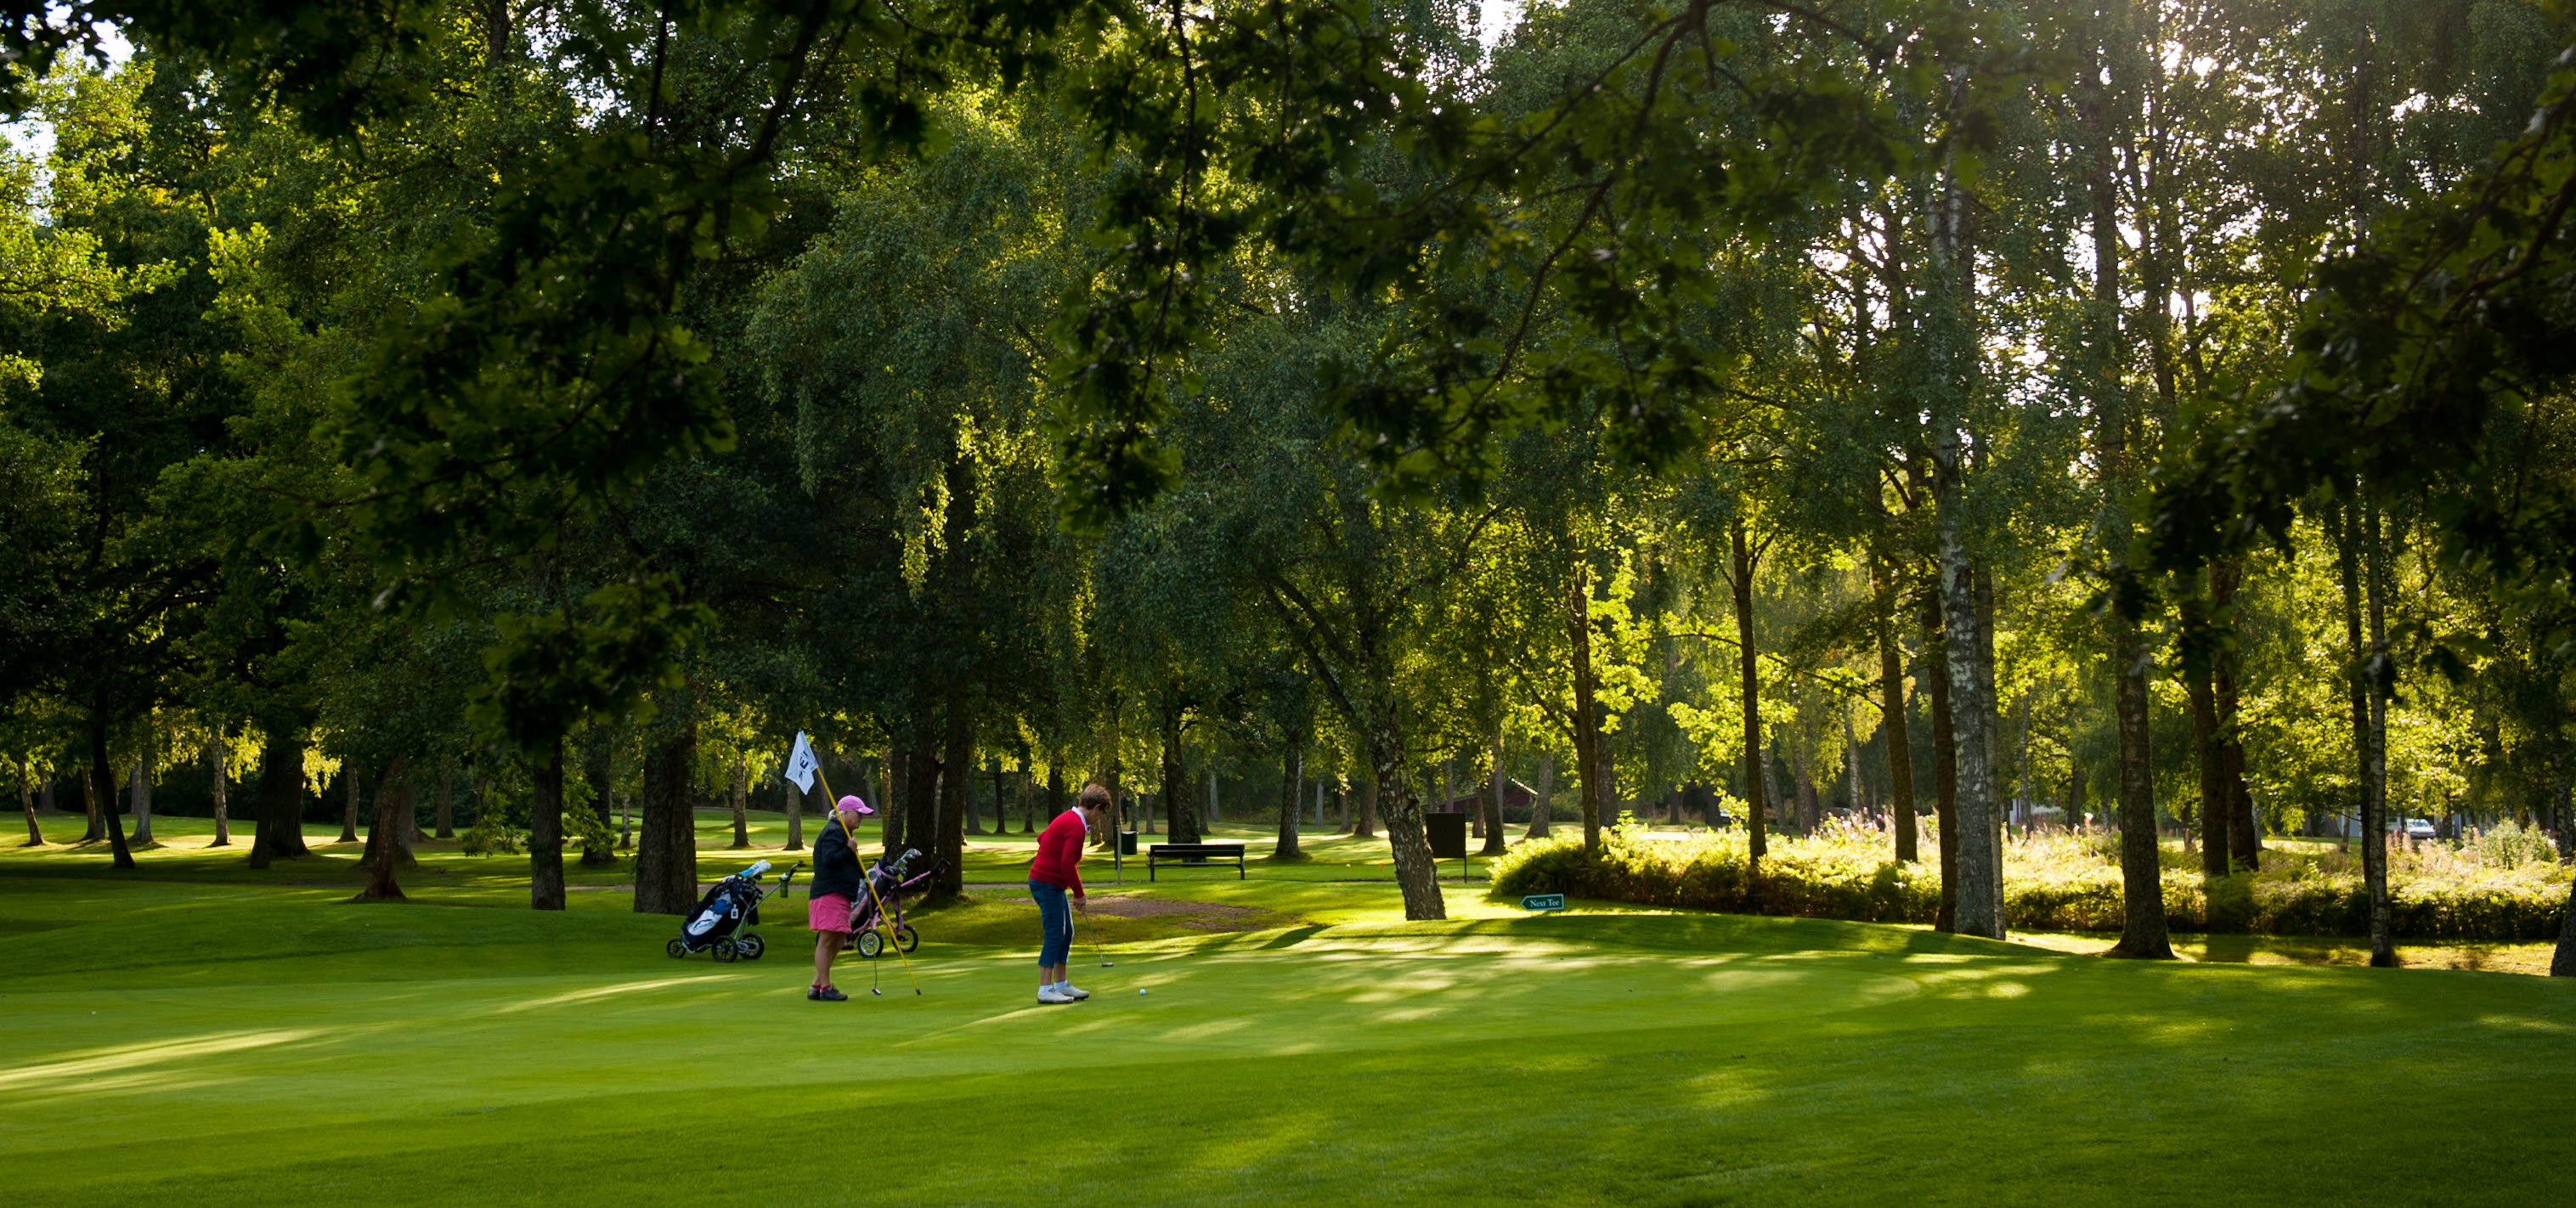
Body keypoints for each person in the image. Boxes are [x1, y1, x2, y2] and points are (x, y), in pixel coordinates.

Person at [1029, 783, 1110, 1004]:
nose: (1099, 818)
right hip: (1046, 883)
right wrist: (1079, 894)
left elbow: (1042, 838)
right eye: (1101, 813)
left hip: (1049, 882)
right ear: (1096, 808)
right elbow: (1067, 862)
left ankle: (1061, 984)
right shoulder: (1075, 825)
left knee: (1066, 933)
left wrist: (1051, 850)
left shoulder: (1069, 818)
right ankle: (1045, 989)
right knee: (1055, 934)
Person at [805, 794, 874, 1002]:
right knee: (827, 940)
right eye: (858, 814)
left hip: (840, 893)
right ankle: (825, 988)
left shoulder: (845, 833)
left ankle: (817, 984)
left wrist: (865, 874)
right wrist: (849, 849)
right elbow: (830, 860)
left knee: (838, 940)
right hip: (829, 893)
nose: (861, 818)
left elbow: (848, 864)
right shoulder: (834, 832)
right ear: (844, 814)